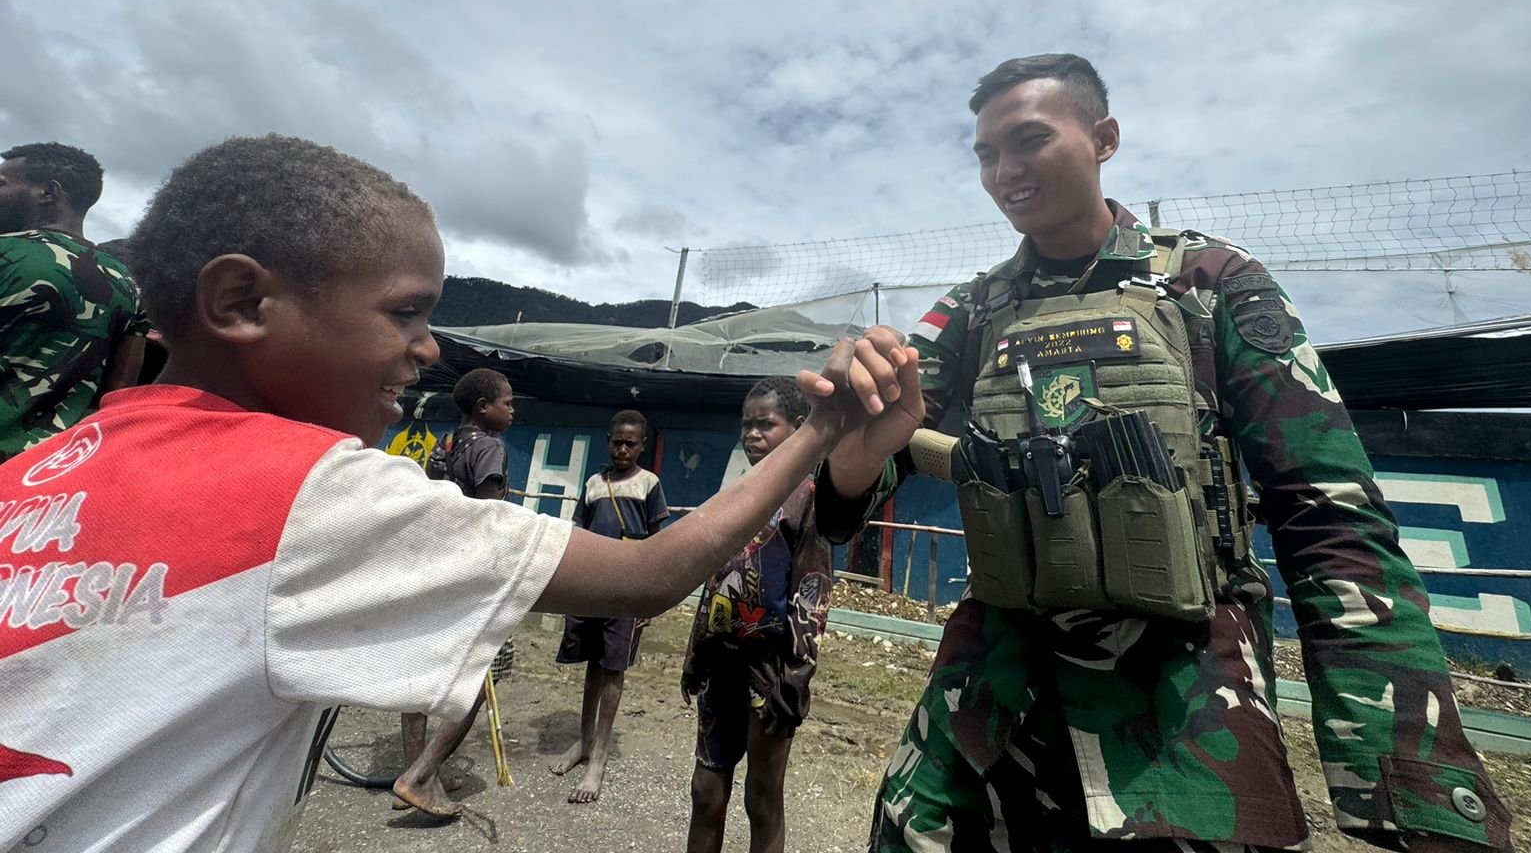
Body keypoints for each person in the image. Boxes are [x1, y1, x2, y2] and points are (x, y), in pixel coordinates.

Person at [0, 134, 924, 852]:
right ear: (242, 303)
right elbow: (649, 574)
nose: (432, 346)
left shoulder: (39, 467)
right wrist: (820, 429)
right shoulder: (314, 493)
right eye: (405, 311)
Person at [815, 55, 1510, 852]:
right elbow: (851, 501)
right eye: (985, 153)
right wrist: (854, 448)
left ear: (1104, 138)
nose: (1005, 170)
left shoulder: (1212, 283)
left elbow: (1329, 514)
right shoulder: (972, 310)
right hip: (987, 712)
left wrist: (1413, 782)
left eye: (1029, 140)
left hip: (1186, 723)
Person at [681, 376, 833, 853]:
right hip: (719, 660)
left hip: (770, 670)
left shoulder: (810, 498)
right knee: (705, 792)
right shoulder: (734, 493)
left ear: (798, 427)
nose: (752, 434)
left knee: (761, 798)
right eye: (746, 425)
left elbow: (813, 590)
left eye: (766, 425)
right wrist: (694, 652)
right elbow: (714, 581)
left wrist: (798, 674)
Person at [393, 367, 516, 814]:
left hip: (434, 573)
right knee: (478, 680)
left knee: (421, 679)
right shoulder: (490, 449)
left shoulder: (444, 447)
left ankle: (417, 772)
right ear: (484, 408)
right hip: (472, 580)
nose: (512, 409)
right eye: (507, 402)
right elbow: (488, 519)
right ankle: (420, 776)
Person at [548, 409, 669, 803]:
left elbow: (656, 544)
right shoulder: (594, 482)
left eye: (630, 443)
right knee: (592, 667)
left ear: (642, 446)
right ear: (608, 440)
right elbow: (579, 534)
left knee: (614, 668)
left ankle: (599, 757)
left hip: (626, 590)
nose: (622, 449)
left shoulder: (649, 484)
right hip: (591, 588)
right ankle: (583, 742)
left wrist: (650, 596)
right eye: (616, 441)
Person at [0, 142, 146, 461]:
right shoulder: (128, 284)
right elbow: (117, 396)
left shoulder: (6, 254)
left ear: (48, 192)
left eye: (2, 183)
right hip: (43, 476)